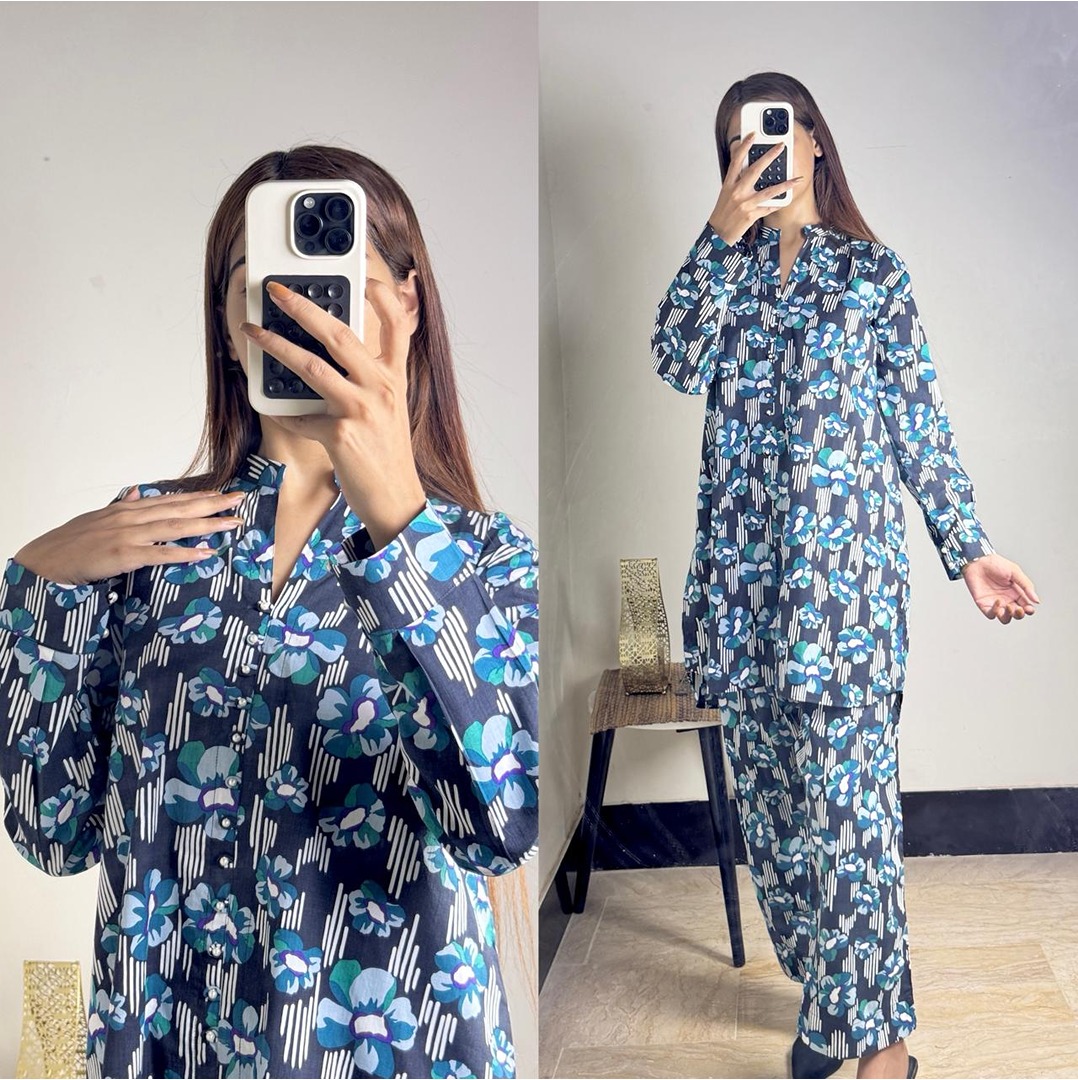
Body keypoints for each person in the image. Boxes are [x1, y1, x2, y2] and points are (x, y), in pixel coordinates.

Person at [0, 146, 538, 1079]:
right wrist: (37, 587)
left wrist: (401, 529)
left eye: (333, 282)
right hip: (172, 1046)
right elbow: (53, 833)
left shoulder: (483, 559)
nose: (300, 314)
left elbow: (504, 825)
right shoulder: (140, 542)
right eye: (264, 286)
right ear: (226, 322)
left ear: (407, 303)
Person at [650, 73, 1038, 1080]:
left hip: (842, 603)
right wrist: (719, 232)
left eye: (775, 136)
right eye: (740, 145)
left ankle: (886, 1050)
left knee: (849, 830)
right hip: (739, 602)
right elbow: (674, 361)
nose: (761, 157)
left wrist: (968, 547)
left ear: (815, 141)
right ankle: (832, 1008)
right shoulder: (723, 274)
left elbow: (918, 423)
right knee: (780, 839)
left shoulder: (873, 276)